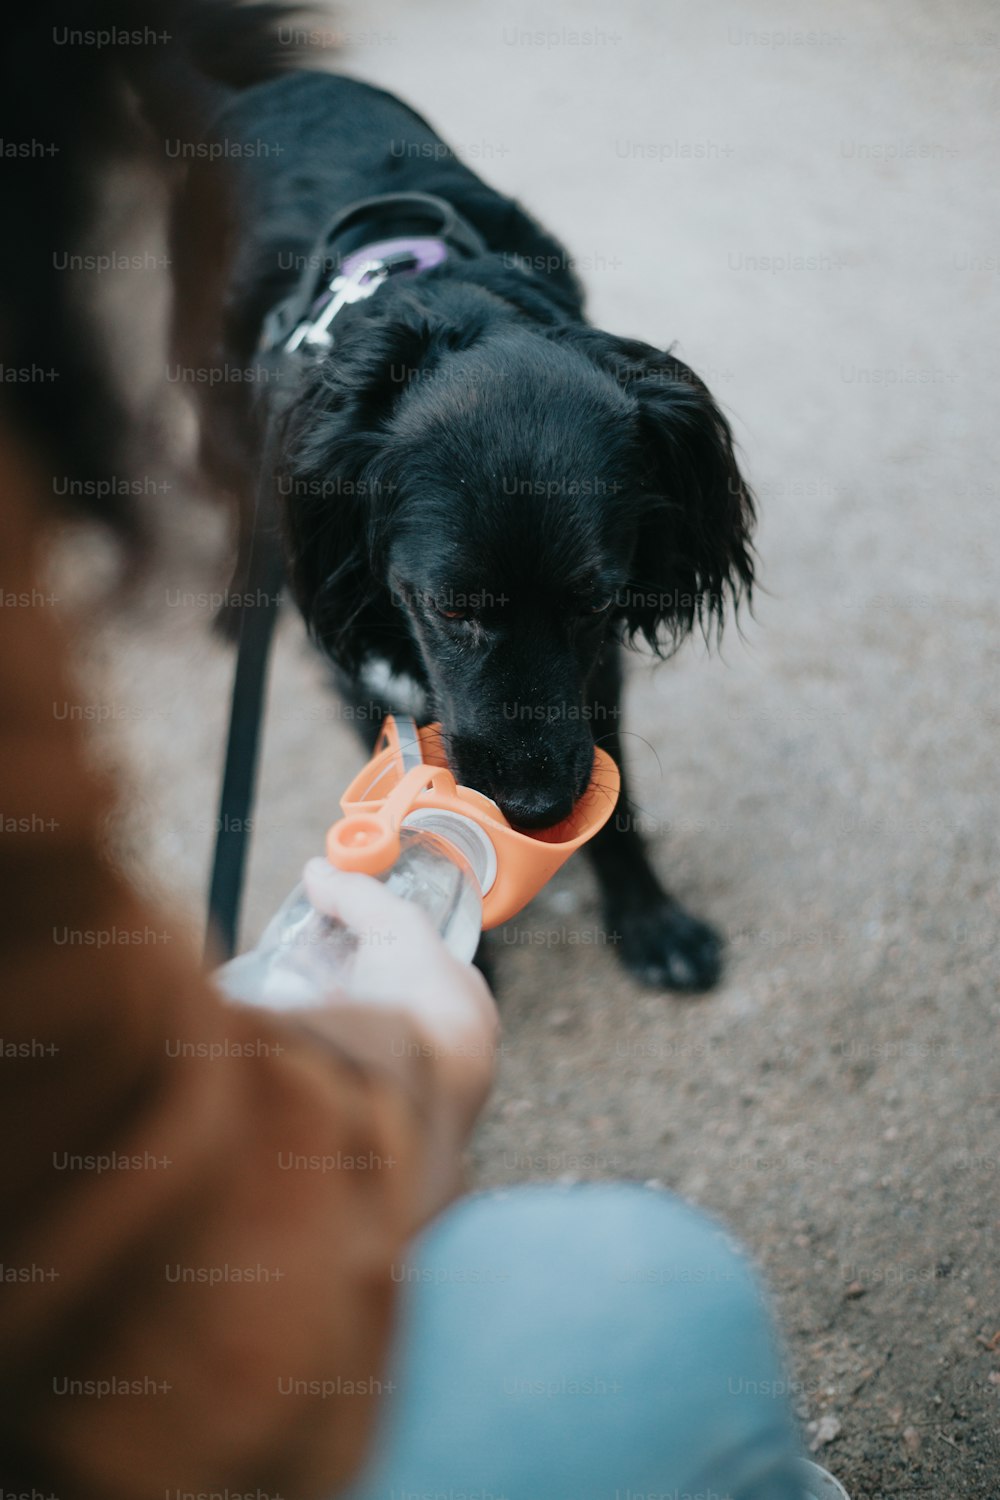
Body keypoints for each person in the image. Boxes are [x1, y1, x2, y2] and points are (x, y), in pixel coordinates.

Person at [0, 6, 844, 1498]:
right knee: (661, 1287)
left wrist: (534, 643)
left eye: (591, 600)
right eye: (452, 599)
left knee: (542, 653)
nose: (529, 751)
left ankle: (624, 867)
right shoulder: (315, 457)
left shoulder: (611, 431)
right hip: (312, 360)